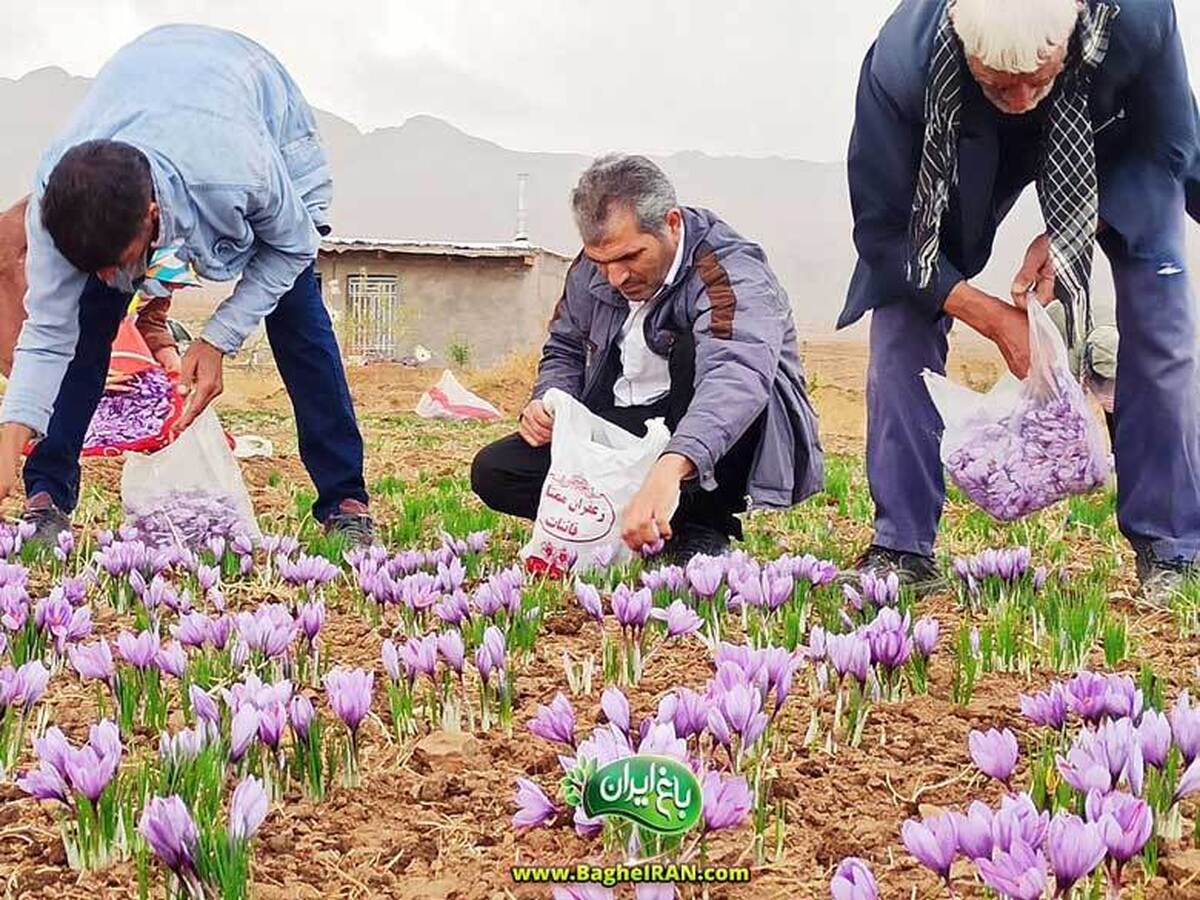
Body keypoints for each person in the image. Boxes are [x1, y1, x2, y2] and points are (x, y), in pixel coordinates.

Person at [842, 0, 1200, 602]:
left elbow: (1167, 146)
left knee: (1160, 300)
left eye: (1037, 77)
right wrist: (987, 316)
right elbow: (884, 228)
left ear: (1071, 30)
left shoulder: (1136, 17)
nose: (1021, 97)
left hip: (1112, 137)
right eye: (1000, 83)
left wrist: (1075, 228)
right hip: (956, 139)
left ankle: (1173, 548)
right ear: (961, 39)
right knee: (903, 310)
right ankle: (901, 546)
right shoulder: (902, 64)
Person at [0, 25, 373, 544]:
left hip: (248, 87)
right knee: (88, 320)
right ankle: (46, 498)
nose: (114, 278)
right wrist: (11, 432)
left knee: (297, 314)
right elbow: (47, 334)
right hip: (149, 79)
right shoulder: (56, 207)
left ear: (152, 216)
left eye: (120, 263)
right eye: (96, 266)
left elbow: (293, 245)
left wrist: (218, 337)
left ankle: (345, 501)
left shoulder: (242, 172)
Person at [471, 154, 823, 562]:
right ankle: (621, 521)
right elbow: (565, 346)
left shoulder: (728, 269)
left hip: (699, 430)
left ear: (671, 224)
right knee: (497, 471)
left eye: (630, 257)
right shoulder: (592, 267)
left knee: (700, 357)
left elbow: (736, 377)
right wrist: (549, 399)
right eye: (603, 262)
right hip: (625, 423)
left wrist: (672, 466)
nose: (616, 277)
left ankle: (701, 524)